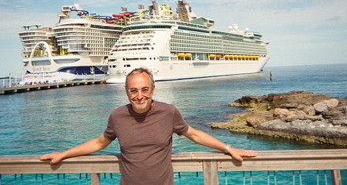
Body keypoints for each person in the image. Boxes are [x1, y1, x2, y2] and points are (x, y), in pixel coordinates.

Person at [40, 67, 257, 184]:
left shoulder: (168, 112)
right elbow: (99, 142)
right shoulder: (117, 115)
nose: (139, 96)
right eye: (134, 90)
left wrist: (229, 149)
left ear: (153, 90)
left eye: (144, 90)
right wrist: (64, 154)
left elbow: (194, 134)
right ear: (127, 92)